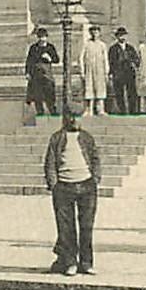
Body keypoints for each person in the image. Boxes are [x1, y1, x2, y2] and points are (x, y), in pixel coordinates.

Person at [44, 109, 101, 276]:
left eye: (78, 117)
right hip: (64, 186)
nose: (75, 120)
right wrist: (54, 184)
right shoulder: (56, 138)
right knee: (65, 228)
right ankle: (70, 262)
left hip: (86, 185)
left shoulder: (87, 138)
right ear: (65, 118)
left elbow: (95, 158)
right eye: (71, 116)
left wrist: (95, 178)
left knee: (86, 226)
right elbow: (50, 162)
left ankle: (86, 262)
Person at [26, 27, 61, 117]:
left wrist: (50, 58)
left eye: (44, 37)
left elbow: (57, 59)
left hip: (47, 73)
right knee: (37, 93)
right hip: (36, 73)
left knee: (49, 92)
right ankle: (40, 111)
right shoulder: (34, 48)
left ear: (46, 37)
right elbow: (29, 61)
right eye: (40, 37)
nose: (42, 39)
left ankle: (52, 110)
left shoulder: (50, 47)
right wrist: (27, 72)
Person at [107, 26, 141, 116]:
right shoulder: (113, 49)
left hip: (129, 72)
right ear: (117, 37)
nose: (122, 37)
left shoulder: (130, 48)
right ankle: (122, 111)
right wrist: (111, 73)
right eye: (120, 35)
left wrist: (134, 64)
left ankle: (133, 110)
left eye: (124, 35)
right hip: (118, 73)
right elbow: (110, 62)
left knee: (132, 92)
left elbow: (137, 59)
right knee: (119, 93)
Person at [78, 25, 110, 117]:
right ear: (90, 33)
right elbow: (81, 57)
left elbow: (105, 59)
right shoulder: (86, 44)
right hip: (89, 69)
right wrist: (82, 71)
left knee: (100, 89)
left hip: (100, 69)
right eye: (93, 32)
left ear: (99, 33)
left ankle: (100, 110)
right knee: (89, 88)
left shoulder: (102, 45)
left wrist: (106, 71)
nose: (94, 34)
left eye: (96, 32)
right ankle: (89, 110)